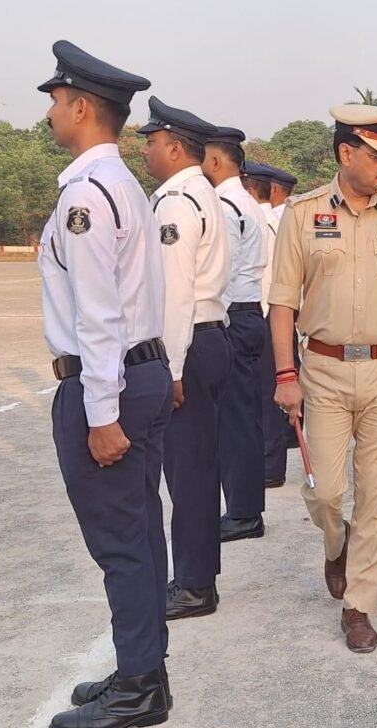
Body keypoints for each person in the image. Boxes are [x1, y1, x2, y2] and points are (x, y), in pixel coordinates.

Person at [36, 40, 173, 728]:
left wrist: (99, 412)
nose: (51, 113)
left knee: (121, 541)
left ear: (83, 107)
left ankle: (140, 685)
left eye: (57, 101)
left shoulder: (86, 195)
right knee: (140, 532)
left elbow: (97, 315)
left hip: (109, 383)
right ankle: (143, 669)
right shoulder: (123, 185)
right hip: (140, 373)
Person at [269, 105, 377, 653]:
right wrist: (285, 374)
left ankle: (360, 604)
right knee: (326, 491)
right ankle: (335, 541)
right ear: (346, 153)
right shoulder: (303, 215)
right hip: (322, 369)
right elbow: (281, 302)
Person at [139, 97, 232, 619]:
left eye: (152, 142)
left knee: (189, 470)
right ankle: (198, 577)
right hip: (205, 337)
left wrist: (171, 370)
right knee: (197, 465)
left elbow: (175, 293)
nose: (145, 151)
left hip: (188, 343)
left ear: (175, 148)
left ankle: (195, 584)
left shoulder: (176, 202)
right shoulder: (203, 194)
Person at [203, 127, 269, 542]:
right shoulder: (245, 201)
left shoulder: (225, 206)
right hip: (248, 313)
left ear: (214, 161)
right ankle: (245, 507)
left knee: (235, 422)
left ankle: (244, 512)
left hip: (233, 317)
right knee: (243, 417)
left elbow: (219, 273)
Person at [241, 160, 292, 489]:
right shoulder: (271, 221)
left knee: (264, 394)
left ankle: (270, 464)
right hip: (268, 312)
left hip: (262, 311)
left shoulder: (261, 222)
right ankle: (268, 461)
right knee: (263, 392)